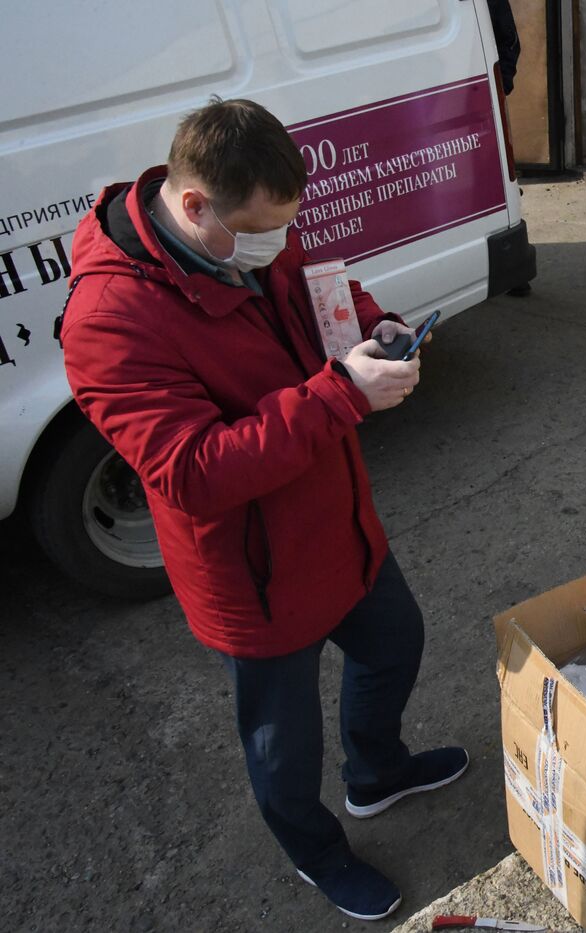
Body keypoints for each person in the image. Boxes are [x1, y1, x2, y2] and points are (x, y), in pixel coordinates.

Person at [60, 98, 468, 922]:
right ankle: (317, 852)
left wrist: (368, 319)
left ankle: (376, 773)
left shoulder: (248, 229)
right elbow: (193, 472)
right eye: (259, 231)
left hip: (335, 517)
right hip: (253, 571)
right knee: (283, 745)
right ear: (194, 204)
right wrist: (343, 394)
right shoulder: (108, 321)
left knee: (395, 641)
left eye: (287, 226)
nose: (276, 245)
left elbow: (314, 290)